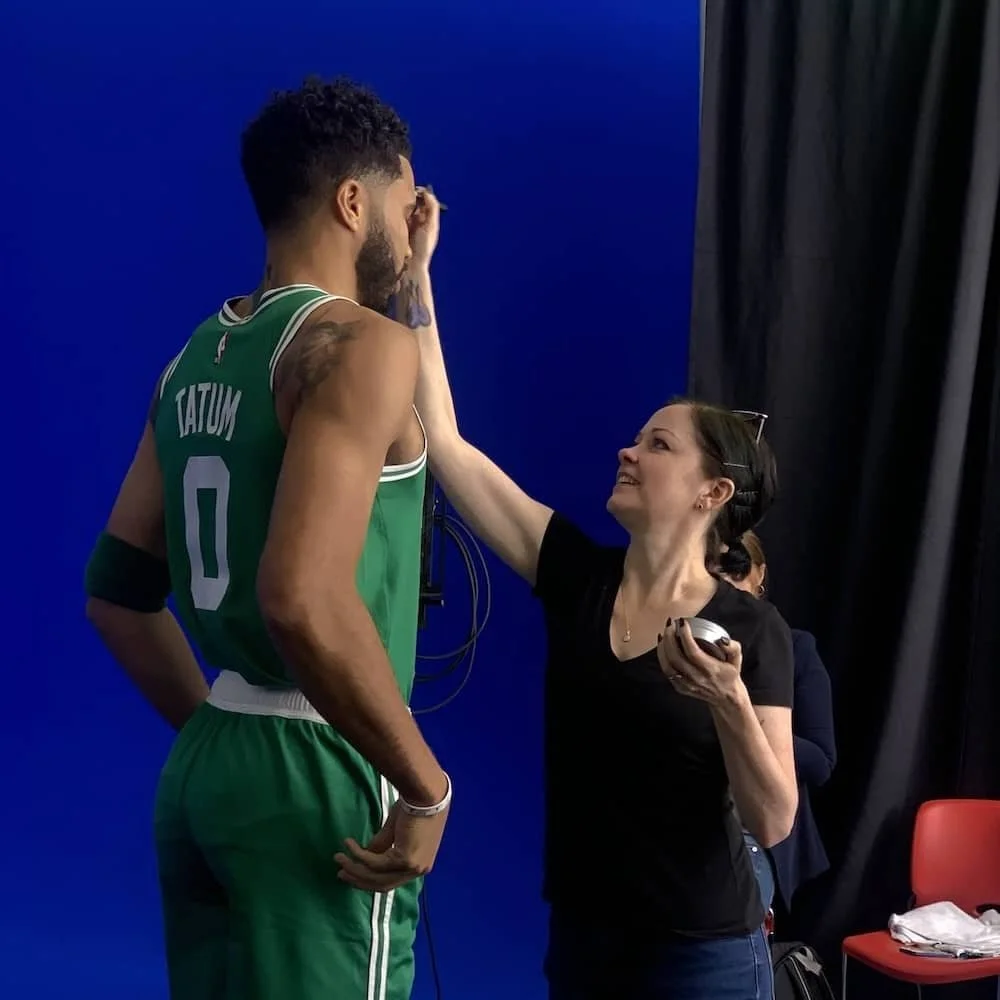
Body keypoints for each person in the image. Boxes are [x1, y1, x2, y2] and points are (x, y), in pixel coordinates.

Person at [83, 76, 452, 1000]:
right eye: (406, 202)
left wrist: (219, 729)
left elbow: (117, 590)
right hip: (323, 769)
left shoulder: (192, 359)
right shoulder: (363, 346)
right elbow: (300, 596)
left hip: (209, 765)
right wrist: (424, 786)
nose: (415, 224)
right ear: (353, 202)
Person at [389, 190, 798, 1000]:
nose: (628, 452)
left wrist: (729, 703)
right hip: (585, 942)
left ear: (712, 493)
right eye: (637, 439)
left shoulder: (751, 629)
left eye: (658, 445)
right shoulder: (577, 573)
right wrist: (418, 275)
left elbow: (772, 819)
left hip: (704, 958)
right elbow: (446, 443)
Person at [719, 532, 837, 926]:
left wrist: (744, 719)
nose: (728, 588)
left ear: (760, 576)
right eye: (715, 576)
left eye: (737, 572)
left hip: (756, 833)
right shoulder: (679, 645)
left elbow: (821, 762)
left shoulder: (795, 648)